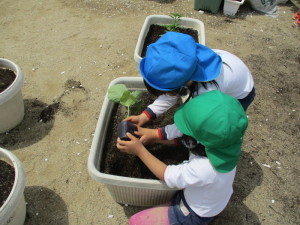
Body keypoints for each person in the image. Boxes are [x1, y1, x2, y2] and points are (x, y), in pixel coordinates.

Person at [117, 90, 248, 225]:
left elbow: (167, 175)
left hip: (194, 212)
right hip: (211, 198)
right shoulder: (225, 144)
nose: (181, 130)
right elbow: (183, 137)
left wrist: (139, 150)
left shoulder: (205, 169)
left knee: (135, 221)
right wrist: (153, 136)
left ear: (197, 140)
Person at [125, 31, 255, 145]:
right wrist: (145, 116)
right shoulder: (186, 64)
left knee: (215, 126)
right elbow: (171, 94)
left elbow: (193, 122)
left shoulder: (206, 93)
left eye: (167, 92)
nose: (167, 95)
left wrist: (156, 134)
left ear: (181, 86)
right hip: (234, 74)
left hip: (240, 95)